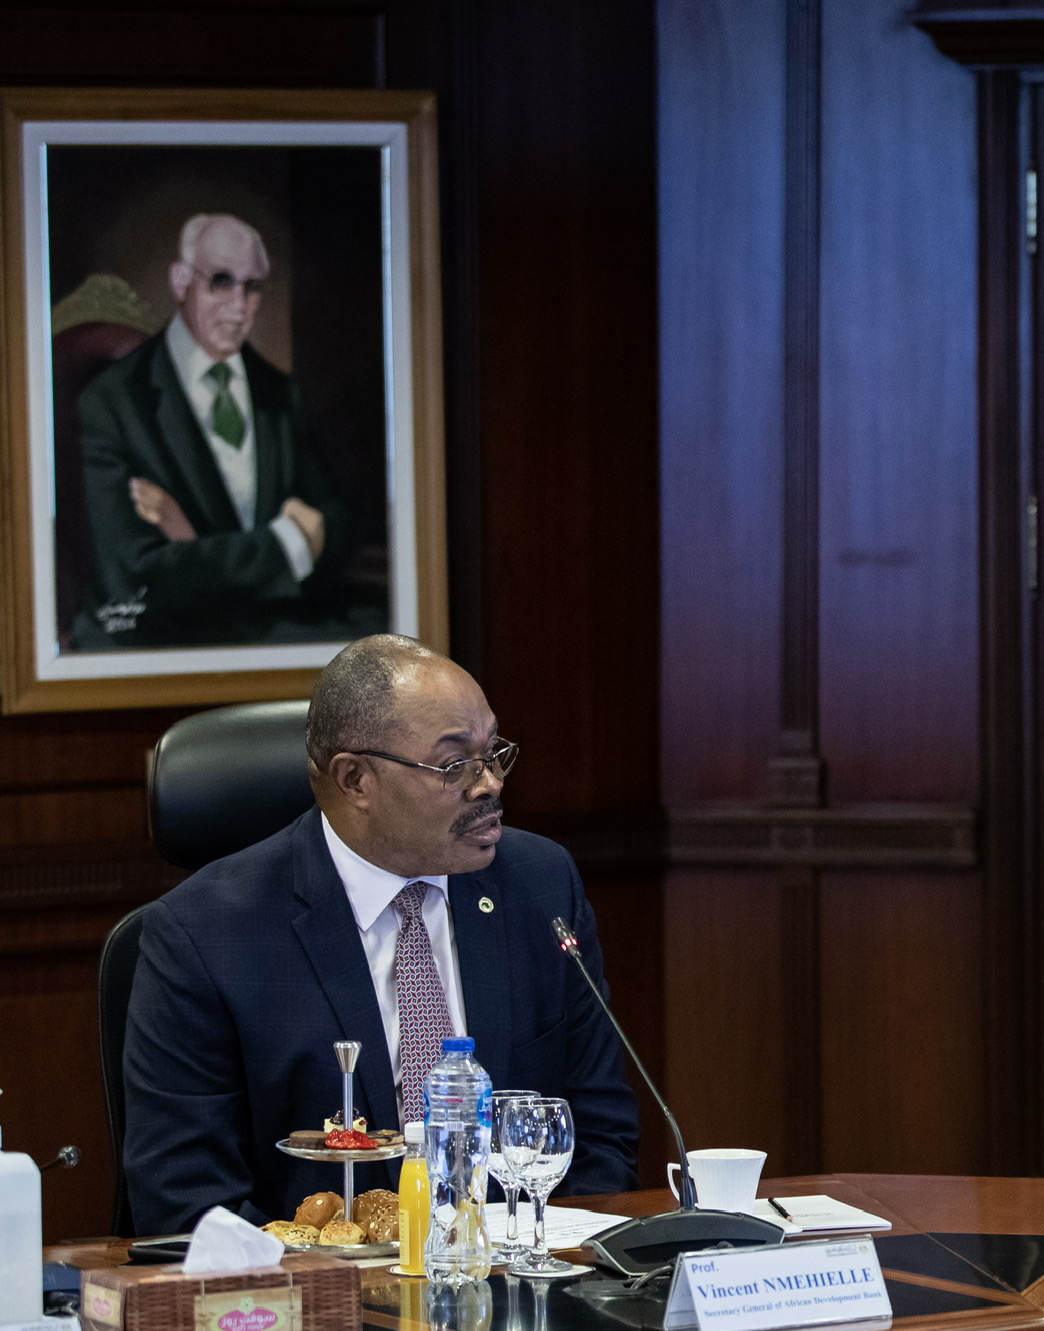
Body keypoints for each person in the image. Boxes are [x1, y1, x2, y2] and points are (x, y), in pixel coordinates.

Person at [123, 634, 639, 1235]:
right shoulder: (203, 935)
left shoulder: (540, 884)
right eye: (454, 765)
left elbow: (600, 1133)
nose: (490, 784)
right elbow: (186, 1199)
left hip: (519, 1274)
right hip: (315, 1285)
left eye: (494, 753)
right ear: (355, 780)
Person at [73, 212, 359, 648]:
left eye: (252, 287)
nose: (239, 305)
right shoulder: (113, 401)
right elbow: (135, 578)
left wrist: (194, 545)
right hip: (166, 643)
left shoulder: (280, 394)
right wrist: (288, 543)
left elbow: (335, 526)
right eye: (221, 282)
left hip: (275, 631)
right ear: (181, 281)